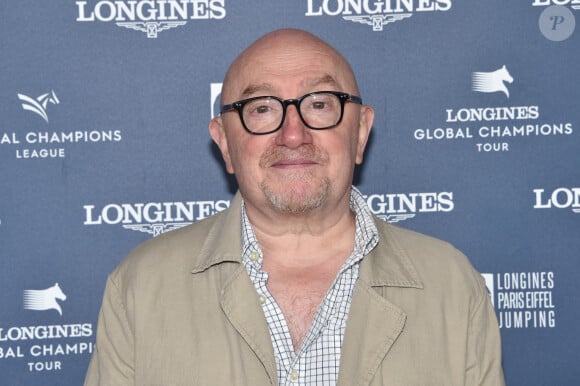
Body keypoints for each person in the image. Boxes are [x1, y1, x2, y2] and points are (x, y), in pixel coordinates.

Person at [84, 28, 505, 385]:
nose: (293, 134)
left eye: (319, 103)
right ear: (225, 144)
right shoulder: (139, 289)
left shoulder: (450, 285)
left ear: (360, 133)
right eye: (262, 108)